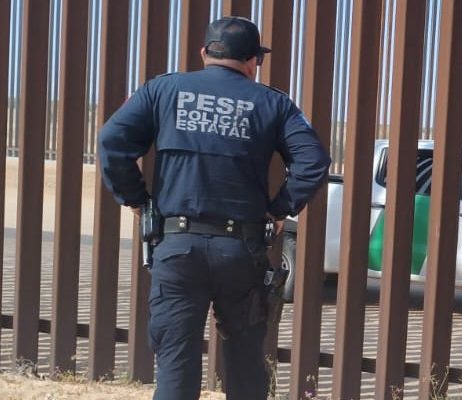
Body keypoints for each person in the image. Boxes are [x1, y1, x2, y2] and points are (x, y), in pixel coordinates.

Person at [99, 16, 330, 399]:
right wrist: (279, 209)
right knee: (245, 367)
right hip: (241, 251)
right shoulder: (273, 103)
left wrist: (137, 200)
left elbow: (111, 140)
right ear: (254, 61)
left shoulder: (163, 90)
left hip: (177, 249)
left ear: (204, 52)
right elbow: (313, 161)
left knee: (176, 367)